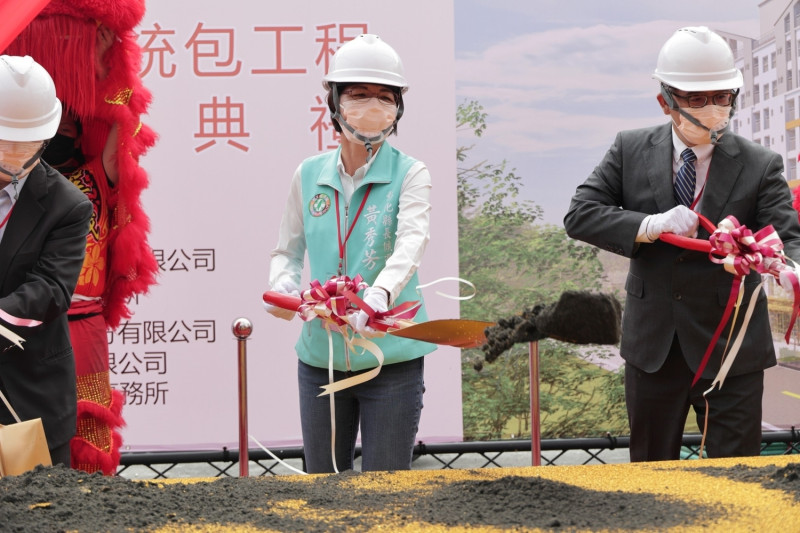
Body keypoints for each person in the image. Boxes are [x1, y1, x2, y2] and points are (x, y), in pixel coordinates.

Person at [564, 26, 800, 462]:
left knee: (738, 476)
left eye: (722, 97)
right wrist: (650, 224)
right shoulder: (630, 149)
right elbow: (580, 214)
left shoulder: (760, 164)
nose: (712, 109)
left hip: (733, 349)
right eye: (696, 99)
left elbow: (788, 240)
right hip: (654, 347)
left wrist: (787, 267)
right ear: (665, 101)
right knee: (653, 477)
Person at [265, 34, 435, 473]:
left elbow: (411, 243)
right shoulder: (308, 174)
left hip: (391, 356)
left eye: (385, 96)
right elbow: (287, 248)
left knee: (387, 487)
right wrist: (282, 282)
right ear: (335, 102)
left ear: (399, 107)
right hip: (320, 358)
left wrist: (379, 296)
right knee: (324, 487)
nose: (372, 105)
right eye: (359, 94)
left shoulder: (411, 173)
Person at [6, 2, 158, 475]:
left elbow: (120, 126)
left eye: (70, 128)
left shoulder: (84, 190)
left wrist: (102, 66)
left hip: (79, 323)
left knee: (84, 435)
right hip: (16, 332)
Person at [0, 55, 93, 468]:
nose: (14, 155)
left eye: (26, 143)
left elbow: (51, 289)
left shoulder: (67, 205)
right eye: (4, 142)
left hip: (30, 394)